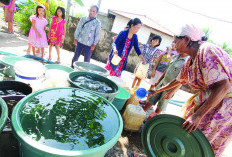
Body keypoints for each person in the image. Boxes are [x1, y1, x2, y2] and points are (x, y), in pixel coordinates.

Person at [147, 24, 232, 157]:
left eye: (175, 41)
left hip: (224, 104)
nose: (173, 45)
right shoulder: (190, 60)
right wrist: (157, 91)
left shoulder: (207, 50)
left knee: (200, 141)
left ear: (186, 39)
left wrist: (198, 115)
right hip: (211, 99)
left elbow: (224, 86)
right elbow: (178, 80)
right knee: (185, 132)